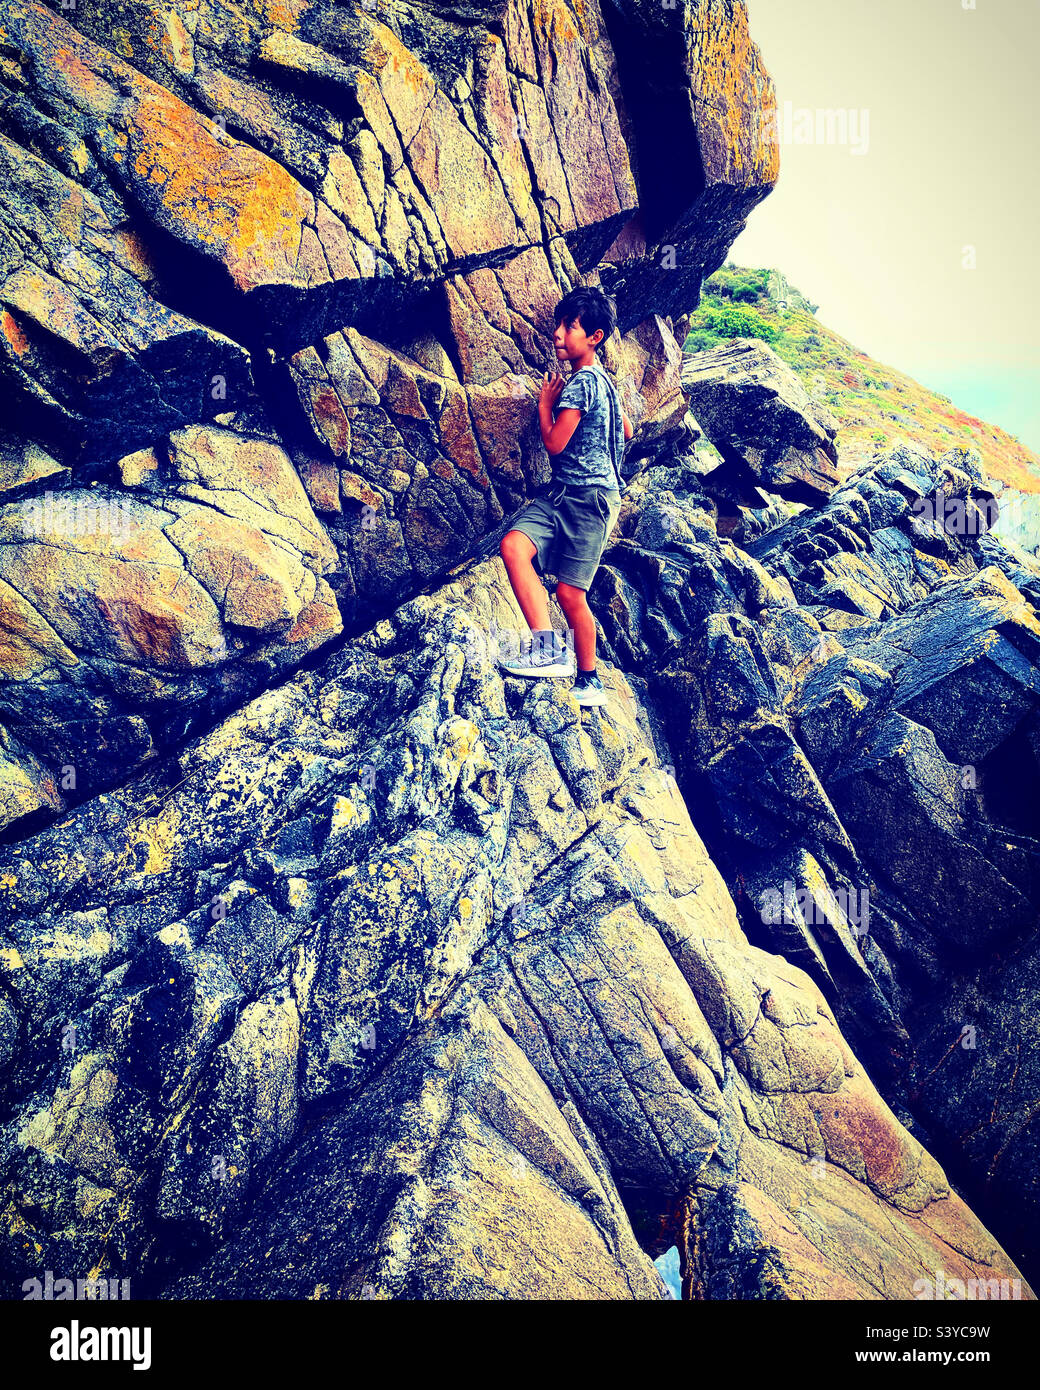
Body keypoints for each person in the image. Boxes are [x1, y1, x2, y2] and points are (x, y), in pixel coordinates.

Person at [498, 285, 635, 707]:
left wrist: (545, 406)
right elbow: (628, 431)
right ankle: (549, 650)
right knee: (514, 546)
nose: (558, 334)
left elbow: (555, 444)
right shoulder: (604, 384)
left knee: (571, 594)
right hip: (565, 494)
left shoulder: (579, 385)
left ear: (594, 337)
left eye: (569, 327)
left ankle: (589, 679)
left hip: (588, 500)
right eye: (558, 324)